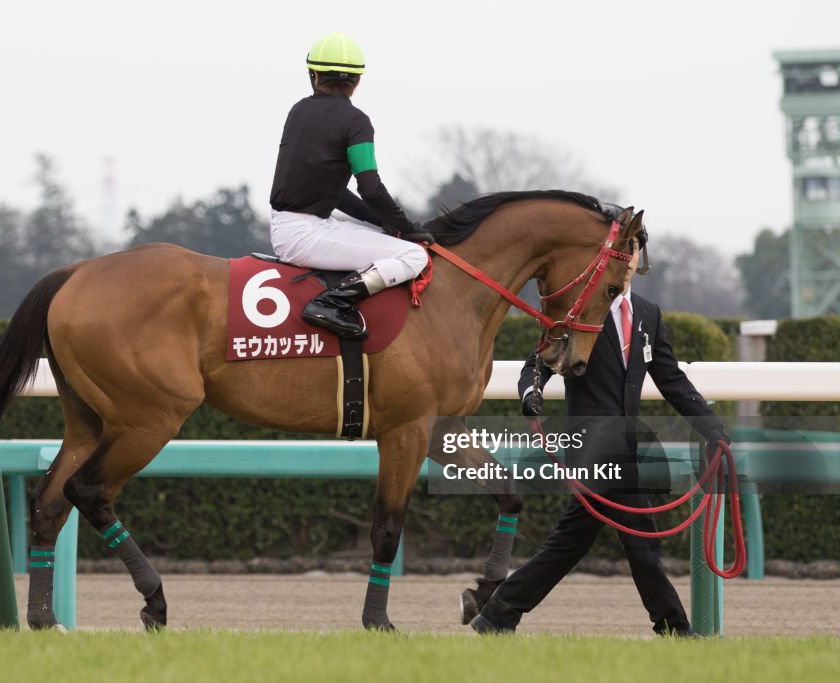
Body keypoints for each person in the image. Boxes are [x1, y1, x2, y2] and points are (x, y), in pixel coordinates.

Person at [470, 229, 729, 637]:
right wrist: (530, 393)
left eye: (634, 249)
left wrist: (711, 427)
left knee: (575, 541)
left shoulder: (648, 314)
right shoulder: (578, 311)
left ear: (639, 257)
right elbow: (534, 367)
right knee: (639, 544)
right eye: (620, 249)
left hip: (623, 445)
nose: (627, 257)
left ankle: (497, 614)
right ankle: (675, 630)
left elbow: (671, 379)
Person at [269, 32, 434, 339]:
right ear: (357, 81)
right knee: (414, 256)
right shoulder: (356, 122)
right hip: (304, 234)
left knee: (386, 238)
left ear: (314, 76)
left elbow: (337, 194)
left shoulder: (299, 111)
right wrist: (407, 228)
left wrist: (388, 225)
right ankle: (331, 304)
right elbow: (370, 188)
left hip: (297, 226)